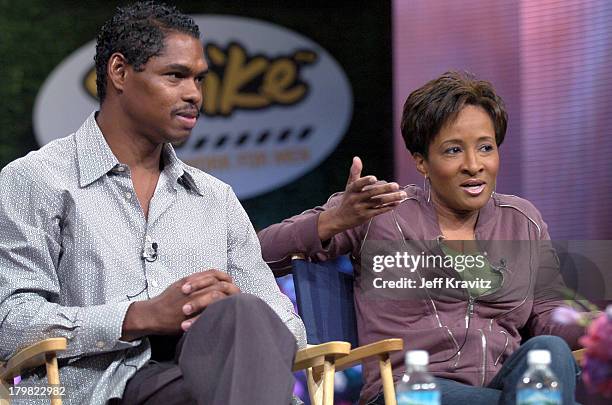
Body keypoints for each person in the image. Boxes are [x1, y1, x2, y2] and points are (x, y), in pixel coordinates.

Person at [0, 2, 305, 404]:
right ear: (120, 72)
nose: (194, 94)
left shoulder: (216, 200)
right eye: (175, 76)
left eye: (199, 79)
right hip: (101, 387)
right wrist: (138, 316)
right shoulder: (38, 179)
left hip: (216, 379)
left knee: (242, 315)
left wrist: (237, 318)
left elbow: (289, 328)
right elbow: (10, 322)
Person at [258, 71, 584, 405]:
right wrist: (335, 220)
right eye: (453, 150)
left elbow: (551, 315)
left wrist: (598, 331)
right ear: (421, 162)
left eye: (485, 147)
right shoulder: (381, 213)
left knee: (550, 351)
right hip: (410, 390)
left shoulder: (522, 221)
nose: (474, 165)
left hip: (503, 389)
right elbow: (258, 253)